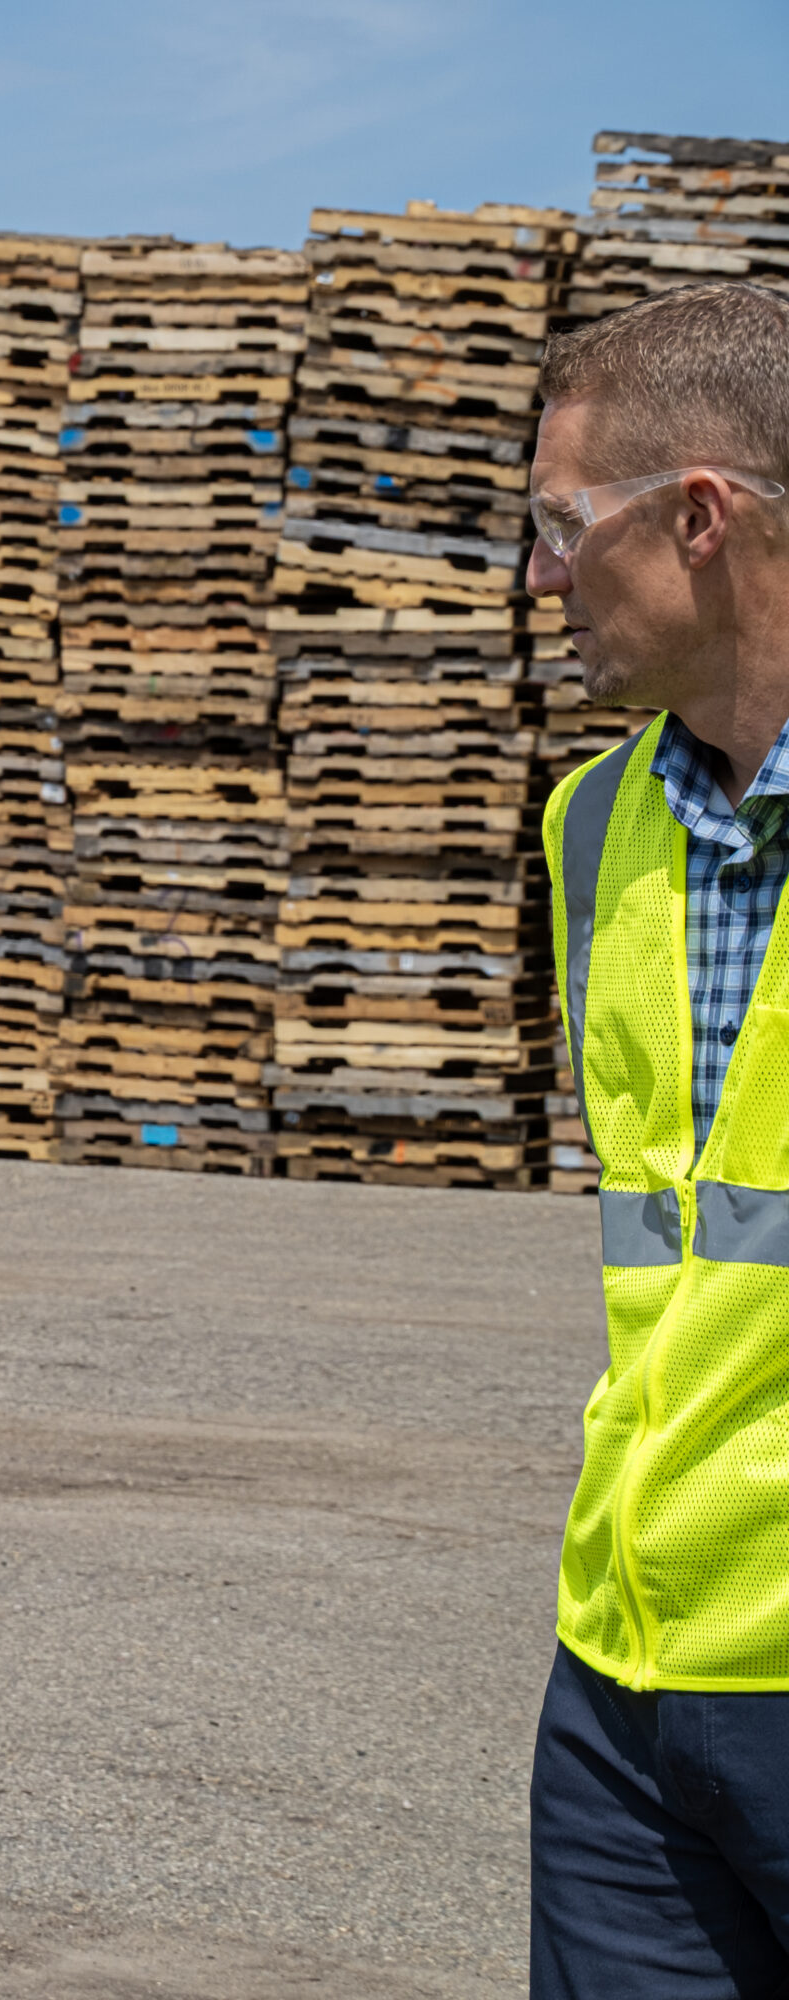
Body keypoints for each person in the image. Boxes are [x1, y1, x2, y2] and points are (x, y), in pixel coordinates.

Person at [529, 277, 789, 1998]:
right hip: (627, 1659)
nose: (540, 579)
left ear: (700, 516)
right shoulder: (591, 824)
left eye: (563, 526)